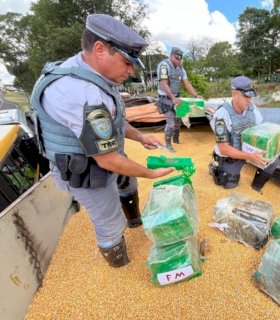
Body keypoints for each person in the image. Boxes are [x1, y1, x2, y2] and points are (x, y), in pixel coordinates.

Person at [30, 14, 175, 268]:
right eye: (127, 63)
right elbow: (106, 159)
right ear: (99, 49)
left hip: (105, 155)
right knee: (109, 221)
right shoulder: (80, 92)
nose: (131, 72)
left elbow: (113, 122)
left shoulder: (94, 76)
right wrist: (150, 173)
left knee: (127, 183)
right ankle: (120, 264)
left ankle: (134, 221)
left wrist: (140, 136)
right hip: (84, 169)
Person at [208, 76, 279, 191]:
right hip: (231, 155)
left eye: (250, 96)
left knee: (274, 159)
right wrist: (251, 156)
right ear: (235, 94)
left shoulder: (252, 109)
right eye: (246, 96)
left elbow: (260, 131)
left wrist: (275, 144)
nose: (250, 100)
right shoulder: (221, 116)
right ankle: (213, 167)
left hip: (248, 150)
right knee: (228, 183)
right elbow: (224, 149)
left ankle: (255, 187)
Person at [156, 47, 200, 152]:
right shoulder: (163, 66)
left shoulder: (181, 69)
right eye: (177, 58)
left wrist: (195, 95)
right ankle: (167, 145)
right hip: (165, 98)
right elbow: (163, 83)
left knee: (178, 121)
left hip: (177, 97)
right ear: (171, 56)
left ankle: (176, 139)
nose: (179, 61)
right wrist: (172, 98)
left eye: (180, 59)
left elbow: (187, 83)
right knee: (170, 123)